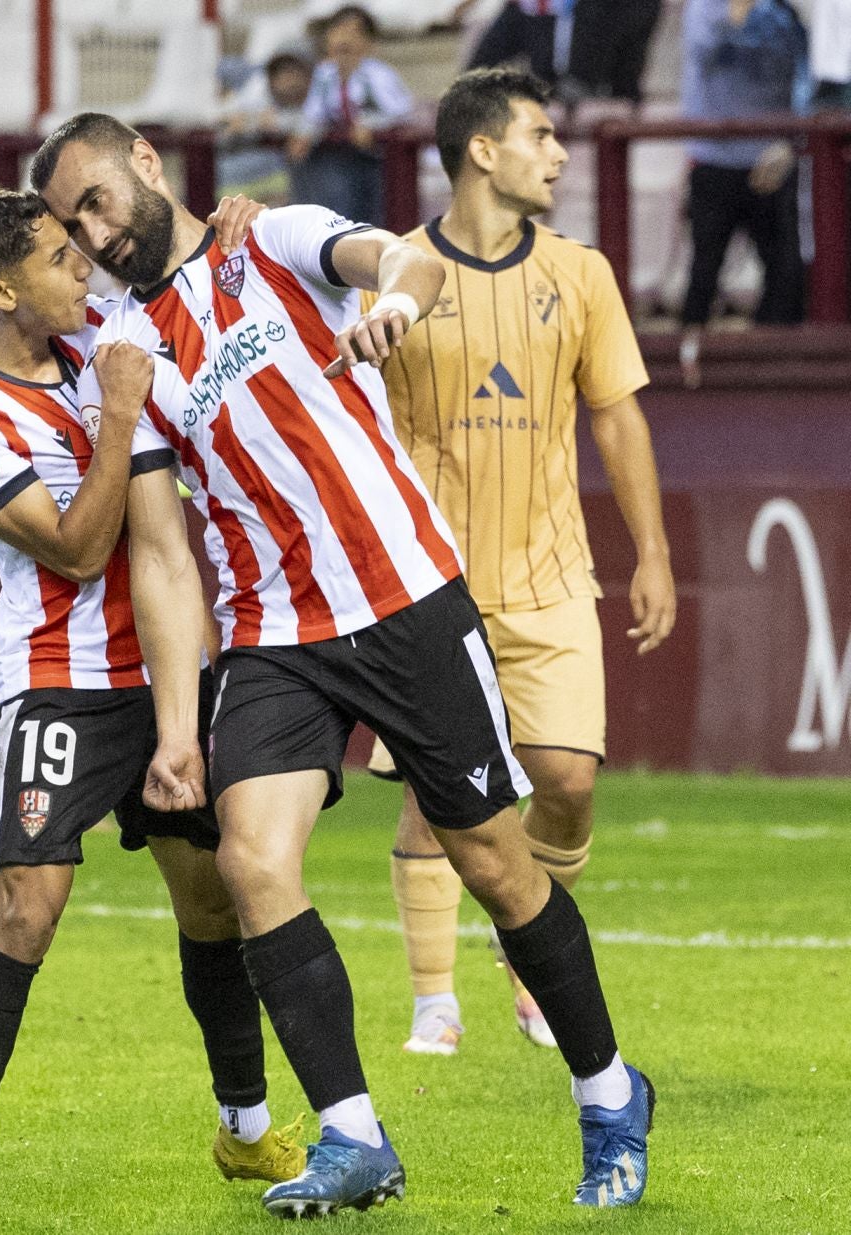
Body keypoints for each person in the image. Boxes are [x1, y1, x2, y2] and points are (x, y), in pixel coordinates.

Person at [34, 113, 655, 1216]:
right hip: (275, 633)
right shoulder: (122, 352)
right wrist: (179, 730)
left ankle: (610, 1092)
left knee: (497, 866)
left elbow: (400, 258)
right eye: (70, 223)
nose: (91, 232)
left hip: (405, 596)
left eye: (94, 200)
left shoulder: (270, 239)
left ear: (144, 162)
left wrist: (399, 306)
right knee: (250, 856)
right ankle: (352, 1133)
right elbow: (164, 552)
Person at [0, 186, 303, 1221]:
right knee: (26, 905)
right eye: (54, 256)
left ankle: (247, 1128)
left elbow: (206, 299)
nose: (83, 264)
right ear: (0, 290)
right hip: (56, 684)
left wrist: (239, 227)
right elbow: (78, 550)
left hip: (169, 672)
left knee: (213, 898)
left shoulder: (103, 337)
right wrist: (121, 413)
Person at [363, 69, 675, 1059]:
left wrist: (653, 554)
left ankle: (525, 949)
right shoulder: (396, 271)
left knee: (568, 780)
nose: (560, 153)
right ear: (481, 150)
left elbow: (617, 416)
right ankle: (431, 1000)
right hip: (430, 583)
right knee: (432, 792)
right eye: (541, 134)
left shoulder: (581, 274)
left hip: (550, 578)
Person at [678, 0, 811, 386]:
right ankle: (688, 364)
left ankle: (776, 364)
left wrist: (792, 141)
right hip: (714, 158)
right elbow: (702, 54)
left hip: (772, 159)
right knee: (705, 266)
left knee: (784, 267)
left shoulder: (784, 14)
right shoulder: (704, 9)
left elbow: (807, 77)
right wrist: (735, 12)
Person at [288, 5, 414, 227]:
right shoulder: (325, 75)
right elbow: (314, 112)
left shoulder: (377, 74)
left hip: (380, 161)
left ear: (368, 43)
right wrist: (305, 134)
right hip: (344, 159)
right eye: (338, 31)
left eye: (353, 33)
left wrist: (370, 126)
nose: (344, 39)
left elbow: (400, 111)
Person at [218, 52, 315, 206]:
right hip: (235, 184)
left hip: (278, 188)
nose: (288, 81)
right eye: (281, 74)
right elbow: (224, 122)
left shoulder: (316, 101)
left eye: (293, 73)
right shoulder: (253, 97)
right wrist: (247, 122)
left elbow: (308, 122)